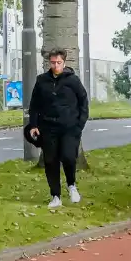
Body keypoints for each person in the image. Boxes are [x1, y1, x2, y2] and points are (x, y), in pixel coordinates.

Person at [28, 49, 89, 209]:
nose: (56, 65)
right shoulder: (41, 81)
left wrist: (79, 125)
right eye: (53, 62)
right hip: (48, 127)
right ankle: (55, 196)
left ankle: (71, 185)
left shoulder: (73, 81)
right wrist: (34, 124)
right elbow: (34, 105)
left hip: (69, 127)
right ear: (49, 63)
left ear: (64, 63)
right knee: (50, 161)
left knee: (69, 157)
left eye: (59, 62)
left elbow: (83, 102)